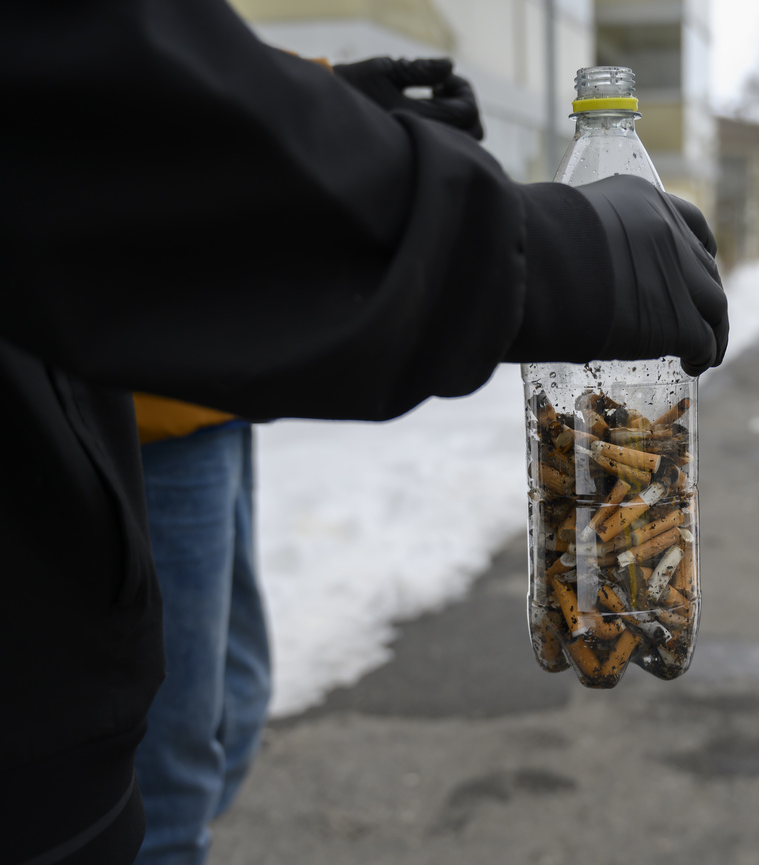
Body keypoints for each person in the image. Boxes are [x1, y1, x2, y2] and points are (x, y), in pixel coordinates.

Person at [0, 1, 728, 862]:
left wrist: (320, 111)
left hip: (95, 469)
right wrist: (536, 251)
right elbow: (49, 81)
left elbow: (124, 62)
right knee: (175, 788)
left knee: (218, 726)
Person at [128, 56, 489, 865]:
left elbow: (193, 61)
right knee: (170, 776)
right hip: (133, 403)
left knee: (236, 703)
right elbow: (122, 74)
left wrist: (337, 102)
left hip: (207, 384)